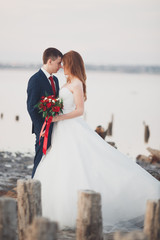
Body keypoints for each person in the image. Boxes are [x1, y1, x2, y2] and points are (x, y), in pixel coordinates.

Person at [34, 50, 160, 232]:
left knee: (81, 164)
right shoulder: (66, 82)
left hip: (71, 127)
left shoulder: (76, 83)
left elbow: (79, 111)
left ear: (71, 64)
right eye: (60, 64)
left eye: (64, 64)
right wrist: (52, 112)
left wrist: (58, 118)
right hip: (61, 130)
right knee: (61, 165)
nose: (61, 67)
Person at [27, 47, 63, 178]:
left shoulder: (56, 80)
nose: (60, 66)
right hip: (42, 128)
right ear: (49, 61)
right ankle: (33, 182)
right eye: (59, 63)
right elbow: (31, 107)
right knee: (40, 157)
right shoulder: (35, 79)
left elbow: (57, 103)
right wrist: (40, 128)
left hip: (55, 126)